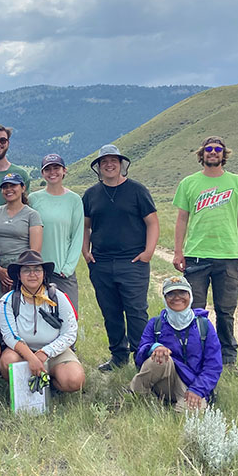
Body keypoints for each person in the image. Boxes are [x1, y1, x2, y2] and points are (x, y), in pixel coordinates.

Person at [172, 136, 238, 376]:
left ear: (223, 154)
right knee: (194, 310)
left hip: (228, 256)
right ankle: (194, 358)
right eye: (208, 149)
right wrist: (178, 251)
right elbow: (182, 219)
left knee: (226, 310)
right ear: (202, 154)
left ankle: (228, 360)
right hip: (196, 255)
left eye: (218, 149)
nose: (213, 153)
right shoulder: (189, 183)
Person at [82, 145, 159, 372]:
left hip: (133, 261)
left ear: (121, 164)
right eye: (104, 161)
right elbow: (85, 227)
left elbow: (152, 222)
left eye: (113, 160)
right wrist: (86, 252)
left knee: (136, 311)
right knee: (110, 311)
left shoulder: (137, 190)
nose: (109, 164)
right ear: (98, 167)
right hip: (101, 263)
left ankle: (142, 356)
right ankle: (118, 355)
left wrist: (148, 252)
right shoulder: (90, 194)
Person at [0, 250, 85, 393]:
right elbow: (9, 336)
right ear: (19, 275)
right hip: (23, 353)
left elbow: (69, 333)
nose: (32, 274)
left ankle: (49, 386)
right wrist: (31, 358)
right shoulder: (8, 301)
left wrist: (45, 353)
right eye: (26, 270)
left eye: (37, 269)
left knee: (74, 380)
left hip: (55, 352)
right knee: (8, 362)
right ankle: (25, 392)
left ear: (44, 274)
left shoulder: (59, 297)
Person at [129, 276, 222, 410]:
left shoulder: (204, 325)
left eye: (182, 293)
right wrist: (155, 347)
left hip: (192, 384)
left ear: (190, 296)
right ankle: (133, 397)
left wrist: (198, 390)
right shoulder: (156, 324)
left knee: (186, 415)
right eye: (171, 294)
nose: (177, 297)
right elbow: (140, 354)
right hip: (164, 382)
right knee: (159, 359)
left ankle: (180, 404)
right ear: (164, 298)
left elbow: (214, 365)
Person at [28, 154, 84, 313]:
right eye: (48, 169)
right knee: (39, 317)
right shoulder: (33, 199)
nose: (52, 172)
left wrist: (67, 268)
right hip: (37, 271)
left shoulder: (74, 200)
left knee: (69, 317)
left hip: (62, 271)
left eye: (56, 168)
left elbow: (77, 235)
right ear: (42, 173)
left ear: (64, 171)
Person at [0, 172, 43, 299]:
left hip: (22, 268)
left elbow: (35, 250)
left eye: (13, 186)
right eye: (5, 186)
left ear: (23, 188)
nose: (9, 190)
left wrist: (16, 272)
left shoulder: (32, 215)